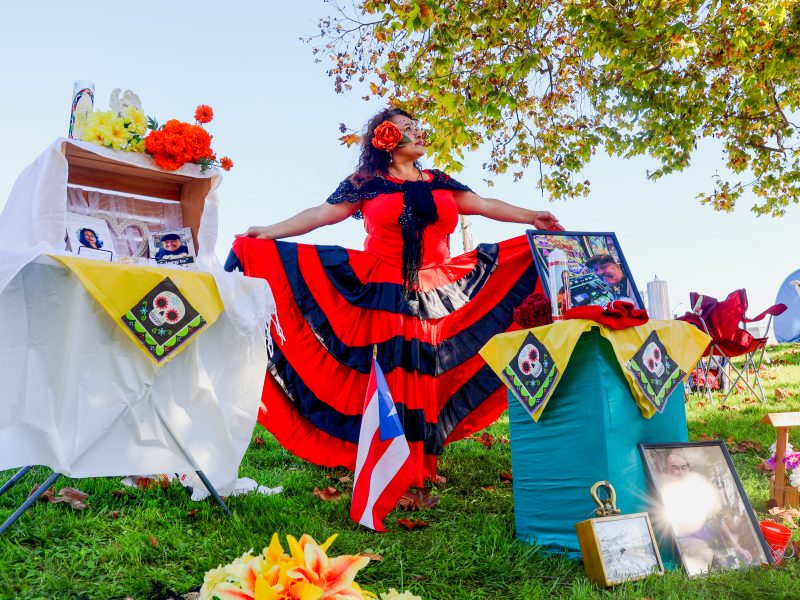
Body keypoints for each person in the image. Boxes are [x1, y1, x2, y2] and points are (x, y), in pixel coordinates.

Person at [230, 107, 562, 486]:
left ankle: (423, 462)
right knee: (396, 374)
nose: (419, 133)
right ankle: (393, 464)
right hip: (384, 286)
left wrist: (532, 216)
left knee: (426, 373)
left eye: (419, 127)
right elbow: (322, 214)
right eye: (407, 128)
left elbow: (485, 206)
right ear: (385, 139)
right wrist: (268, 233)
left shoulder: (439, 181)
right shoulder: (367, 181)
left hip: (438, 286)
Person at [660, 452, 759, 574]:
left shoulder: (699, 490)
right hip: (690, 544)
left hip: (712, 542)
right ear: (667, 470)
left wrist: (738, 547)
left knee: (741, 560)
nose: (680, 471)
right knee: (709, 557)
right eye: (675, 467)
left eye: (684, 467)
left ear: (688, 468)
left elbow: (719, 520)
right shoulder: (664, 493)